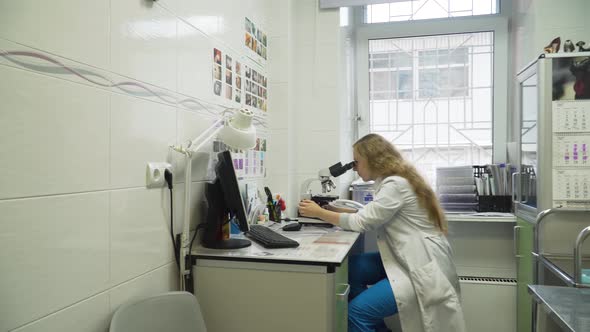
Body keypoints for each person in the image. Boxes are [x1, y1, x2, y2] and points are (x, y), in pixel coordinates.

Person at [298, 134, 465, 332]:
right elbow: (369, 214)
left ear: (374, 160)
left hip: (418, 266)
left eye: (357, 162)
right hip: (405, 257)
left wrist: (319, 213)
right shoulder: (393, 181)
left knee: (356, 313)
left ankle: (362, 320)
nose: (354, 167)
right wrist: (332, 210)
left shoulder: (395, 185)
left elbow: (362, 222)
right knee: (352, 269)